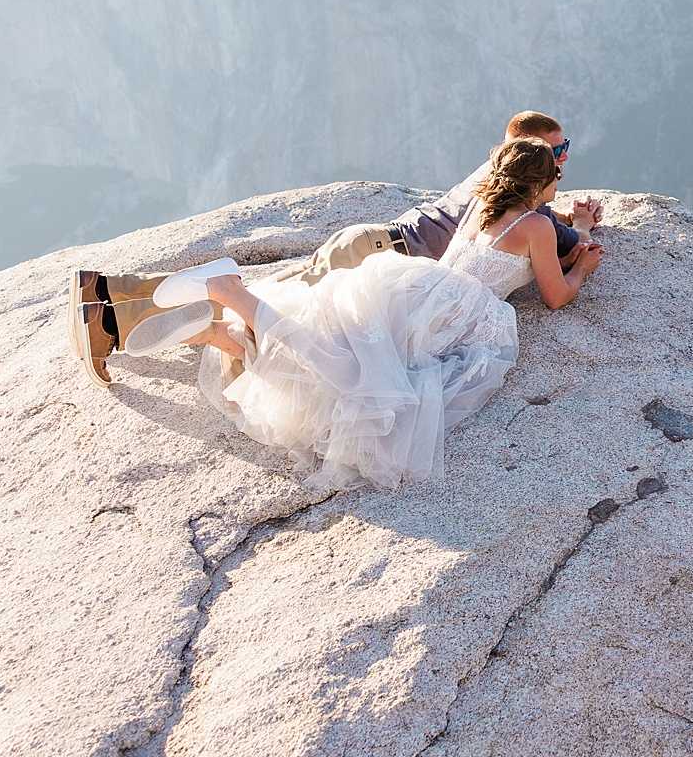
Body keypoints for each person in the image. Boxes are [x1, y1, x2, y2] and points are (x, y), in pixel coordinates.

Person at [177, 135, 602, 491]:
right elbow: (556, 295)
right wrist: (581, 266)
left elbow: (524, 258)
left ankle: (226, 333)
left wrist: (573, 236)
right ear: (538, 184)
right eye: (556, 176)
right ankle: (234, 294)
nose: (559, 184)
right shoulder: (537, 226)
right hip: (453, 314)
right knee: (356, 380)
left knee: (344, 350)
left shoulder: (483, 204)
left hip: (420, 287)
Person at [70, 111, 602, 385]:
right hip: (378, 256)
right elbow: (557, 246)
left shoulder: (496, 183)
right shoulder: (524, 209)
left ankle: (107, 291)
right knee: (278, 323)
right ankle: (112, 324)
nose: (563, 160)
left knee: (272, 306)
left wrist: (562, 215)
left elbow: (533, 222)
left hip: (372, 245)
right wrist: (576, 227)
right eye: (559, 152)